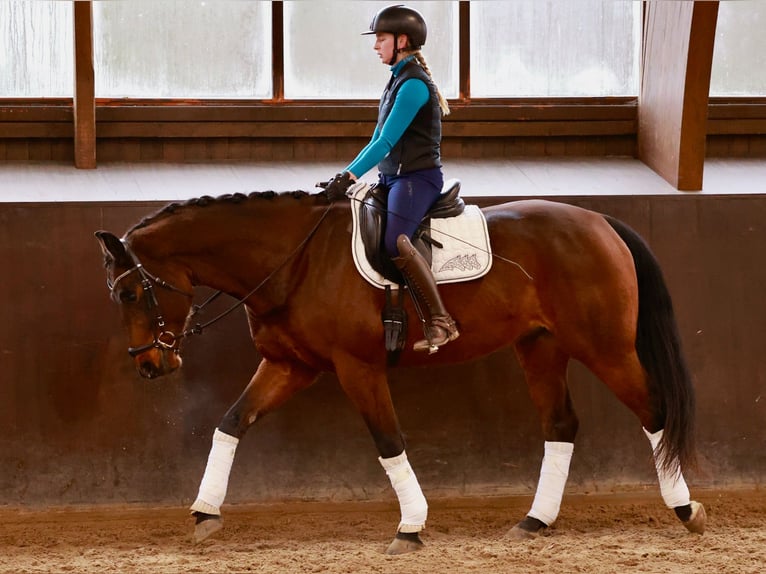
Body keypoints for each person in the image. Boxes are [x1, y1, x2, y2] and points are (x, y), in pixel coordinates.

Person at [323, 4, 459, 353]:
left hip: (416, 179)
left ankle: (441, 321)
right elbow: (375, 141)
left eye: (380, 39)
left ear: (402, 41)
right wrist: (343, 177)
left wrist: (350, 174)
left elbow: (386, 143)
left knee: (395, 241)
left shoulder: (414, 85)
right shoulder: (396, 80)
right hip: (392, 178)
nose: (375, 46)